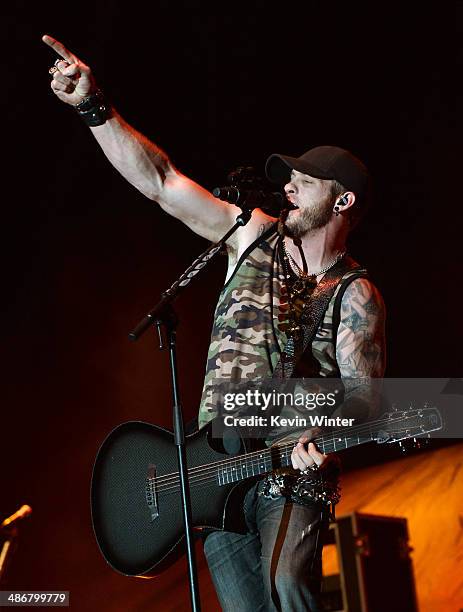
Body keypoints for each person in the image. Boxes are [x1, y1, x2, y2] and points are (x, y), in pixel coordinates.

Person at [43, 35, 386, 611]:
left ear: (343, 200)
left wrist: (322, 443)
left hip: (290, 466)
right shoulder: (250, 234)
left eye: (305, 177)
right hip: (213, 464)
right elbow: (162, 181)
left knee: (288, 588)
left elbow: (367, 402)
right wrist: (93, 108)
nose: (289, 185)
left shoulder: (357, 293)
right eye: (289, 177)